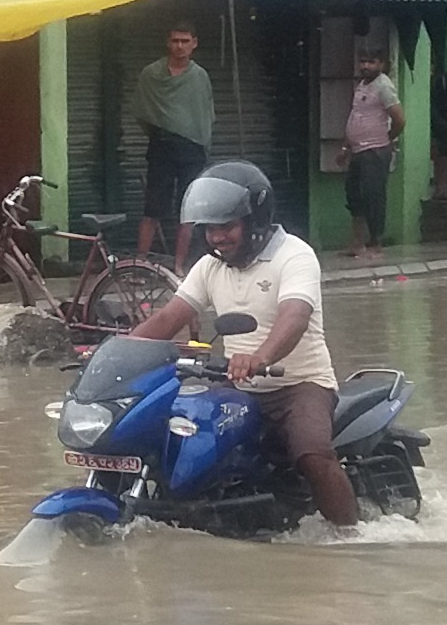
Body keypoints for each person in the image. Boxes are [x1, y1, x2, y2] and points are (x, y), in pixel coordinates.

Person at [128, 159, 359, 531]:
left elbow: (294, 317)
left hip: (298, 385)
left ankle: (351, 537)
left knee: (313, 454)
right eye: (210, 229)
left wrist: (260, 357)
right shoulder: (209, 267)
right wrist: (117, 350)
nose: (217, 237)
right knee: (171, 439)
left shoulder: (294, 255)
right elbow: (167, 319)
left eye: (227, 226)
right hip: (236, 387)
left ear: (254, 221)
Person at [130, 27, 213, 256]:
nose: (180, 46)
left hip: (191, 150)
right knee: (152, 209)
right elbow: (142, 112)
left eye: (185, 41)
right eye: (175, 40)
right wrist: (162, 132)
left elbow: (205, 115)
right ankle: (141, 263)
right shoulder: (151, 74)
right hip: (161, 147)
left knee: (187, 210)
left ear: (194, 43)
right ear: (168, 42)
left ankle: (179, 267)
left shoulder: (199, 77)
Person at [340, 52, 403, 259]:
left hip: (374, 151)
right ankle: (358, 242)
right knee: (355, 196)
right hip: (358, 150)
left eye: (371, 62)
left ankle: (376, 244)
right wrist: (346, 148)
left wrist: (386, 139)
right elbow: (356, 116)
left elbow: (399, 119)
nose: (365, 66)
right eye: (363, 61)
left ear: (382, 64)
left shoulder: (383, 86)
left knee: (373, 196)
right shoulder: (362, 85)